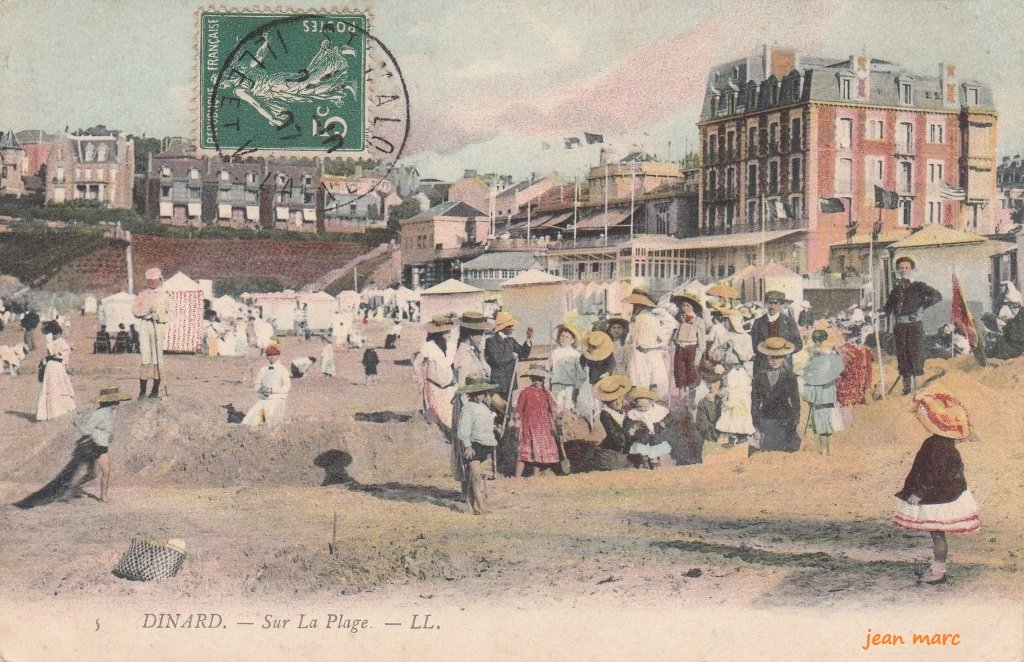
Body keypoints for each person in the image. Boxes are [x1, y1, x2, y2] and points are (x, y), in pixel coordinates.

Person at [892, 392, 981, 585]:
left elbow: (933, 472)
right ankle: (938, 569)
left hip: (938, 497)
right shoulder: (948, 444)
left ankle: (938, 572)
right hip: (948, 494)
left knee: (937, 534)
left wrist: (920, 491)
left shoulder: (935, 445)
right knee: (937, 534)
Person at [14, 386, 134, 508]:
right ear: (111, 402)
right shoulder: (99, 413)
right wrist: (77, 423)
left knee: (94, 474)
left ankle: (76, 490)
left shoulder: (111, 412)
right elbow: (86, 430)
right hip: (92, 446)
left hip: (101, 447)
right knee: (103, 472)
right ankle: (94, 494)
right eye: (116, 401)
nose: (119, 403)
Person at [883, 255, 942, 394]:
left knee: (915, 355)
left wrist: (922, 307)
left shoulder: (919, 286)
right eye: (901, 268)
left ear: (912, 269)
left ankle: (918, 389)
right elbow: (888, 308)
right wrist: (877, 314)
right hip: (900, 327)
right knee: (902, 356)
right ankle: (906, 388)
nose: (904, 270)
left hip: (914, 326)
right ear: (897, 270)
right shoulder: (896, 290)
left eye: (907, 268)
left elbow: (937, 296)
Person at [455, 375, 500, 515]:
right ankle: (481, 506)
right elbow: (463, 429)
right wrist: (467, 446)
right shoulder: (468, 408)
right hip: (473, 445)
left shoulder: (484, 407)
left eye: (481, 392)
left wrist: (495, 428)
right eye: (477, 393)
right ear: (471, 394)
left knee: (474, 477)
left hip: (484, 444)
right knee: (476, 475)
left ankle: (470, 504)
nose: (480, 396)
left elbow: (485, 425)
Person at [751, 337, 801, 453]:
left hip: (785, 419)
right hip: (765, 418)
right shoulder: (759, 376)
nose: (774, 361)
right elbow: (755, 400)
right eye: (771, 357)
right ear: (766, 357)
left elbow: (795, 400)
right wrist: (755, 420)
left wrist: (795, 419)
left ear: (784, 358)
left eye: (778, 357)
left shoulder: (790, 376)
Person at [132, 267, 173, 399]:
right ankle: (142, 391)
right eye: (149, 281)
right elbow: (135, 311)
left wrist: (160, 317)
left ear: (159, 280)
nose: (152, 283)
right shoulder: (142, 295)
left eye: (155, 280)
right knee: (145, 358)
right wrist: (147, 312)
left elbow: (171, 315)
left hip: (158, 326)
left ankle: (155, 390)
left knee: (157, 360)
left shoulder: (165, 296)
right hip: (145, 325)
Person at [412, 315, 457, 437]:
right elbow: (417, 362)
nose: (450, 333)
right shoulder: (428, 346)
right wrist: (420, 378)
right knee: (440, 415)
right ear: (439, 332)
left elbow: (453, 365)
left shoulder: (452, 346)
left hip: (450, 387)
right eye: (447, 331)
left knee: (451, 414)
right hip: (434, 387)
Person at [802, 333, 845, 455]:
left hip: (825, 387)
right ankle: (821, 450)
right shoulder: (814, 352)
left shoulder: (827, 353)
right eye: (817, 340)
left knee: (823, 419)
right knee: (819, 419)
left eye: (819, 340)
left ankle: (825, 450)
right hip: (820, 387)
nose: (818, 343)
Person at [513, 363, 560, 478]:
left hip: (543, 427)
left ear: (543, 379)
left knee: (538, 451)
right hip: (528, 425)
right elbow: (519, 409)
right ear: (531, 379)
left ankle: (536, 475)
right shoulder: (525, 392)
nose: (537, 382)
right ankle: (517, 476)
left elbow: (553, 409)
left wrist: (556, 420)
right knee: (524, 451)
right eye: (534, 379)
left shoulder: (546, 393)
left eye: (539, 379)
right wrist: (517, 424)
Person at [624, 287, 669, 392]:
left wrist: (654, 345)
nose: (635, 306)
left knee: (645, 378)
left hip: (645, 352)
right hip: (638, 351)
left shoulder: (647, 317)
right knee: (640, 378)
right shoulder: (638, 316)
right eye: (634, 304)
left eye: (637, 304)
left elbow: (660, 335)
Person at [750, 290, 803, 372]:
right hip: (763, 367)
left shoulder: (789, 322)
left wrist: (786, 351)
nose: (772, 306)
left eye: (776, 303)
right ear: (766, 304)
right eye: (770, 303)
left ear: (781, 305)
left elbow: (798, 343)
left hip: (784, 366)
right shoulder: (758, 322)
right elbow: (754, 345)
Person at [36, 321, 77, 422]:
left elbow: (54, 354)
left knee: (54, 387)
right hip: (55, 367)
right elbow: (61, 356)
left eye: (54, 333)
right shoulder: (58, 342)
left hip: (53, 366)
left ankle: (54, 412)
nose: (54, 335)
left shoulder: (55, 343)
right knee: (56, 386)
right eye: (53, 333)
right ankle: (55, 412)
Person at [485, 311, 533, 399]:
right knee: (499, 408)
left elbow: (523, 354)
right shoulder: (491, 341)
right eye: (510, 326)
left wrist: (528, 339)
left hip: (510, 382)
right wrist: (512, 355)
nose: (512, 328)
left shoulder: (511, 341)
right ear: (503, 327)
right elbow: (496, 361)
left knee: (508, 409)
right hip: (498, 384)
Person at [242, 345, 291, 427]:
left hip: (277, 399)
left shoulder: (283, 370)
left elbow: (287, 386)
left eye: (274, 355)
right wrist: (261, 390)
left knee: (271, 420)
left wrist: (273, 391)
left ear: (278, 356)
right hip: (264, 399)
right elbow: (257, 384)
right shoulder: (263, 370)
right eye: (270, 355)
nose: (272, 357)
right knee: (250, 420)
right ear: (267, 357)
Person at [671, 292, 706, 405]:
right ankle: (682, 398)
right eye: (683, 306)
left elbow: (701, 342)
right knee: (680, 375)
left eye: (687, 306)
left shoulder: (699, 321)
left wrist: (697, 358)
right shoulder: (678, 320)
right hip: (680, 348)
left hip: (692, 349)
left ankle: (690, 402)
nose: (684, 308)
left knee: (691, 376)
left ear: (693, 307)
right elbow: (673, 336)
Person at [624, 387, 672, 469]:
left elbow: (669, 417)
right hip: (641, 435)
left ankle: (654, 459)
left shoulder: (658, 410)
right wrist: (634, 427)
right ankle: (643, 459)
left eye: (645, 407)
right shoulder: (634, 413)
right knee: (641, 443)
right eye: (640, 407)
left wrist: (663, 422)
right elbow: (628, 423)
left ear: (651, 403)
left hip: (656, 432)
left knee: (656, 442)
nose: (642, 409)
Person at [577, 330, 616, 423]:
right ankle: (591, 416)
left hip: (602, 378)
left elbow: (611, 364)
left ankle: (600, 417)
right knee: (590, 398)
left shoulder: (607, 352)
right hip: (590, 378)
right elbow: (581, 361)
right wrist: (584, 368)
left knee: (600, 399)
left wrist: (606, 372)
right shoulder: (586, 353)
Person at [547, 324, 585, 412]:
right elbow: (548, 369)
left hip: (570, 386)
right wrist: (548, 385)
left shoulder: (576, 355)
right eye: (562, 336)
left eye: (567, 337)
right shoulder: (554, 352)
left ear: (572, 340)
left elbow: (581, 373)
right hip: (556, 384)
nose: (564, 339)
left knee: (569, 408)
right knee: (557, 408)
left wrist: (577, 387)